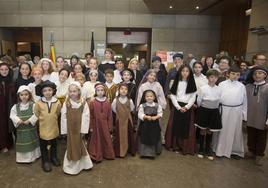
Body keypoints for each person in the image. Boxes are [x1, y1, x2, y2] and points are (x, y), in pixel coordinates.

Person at [214, 66, 247, 159]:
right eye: (233, 74)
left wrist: (244, 114)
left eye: (238, 75)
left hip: (236, 111)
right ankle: (219, 150)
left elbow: (245, 101)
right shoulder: (222, 84)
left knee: (235, 131)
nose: (235, 76)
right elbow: (217, 97)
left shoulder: (242, 86)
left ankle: (234, 151)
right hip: (223, 110)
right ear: (228, 74)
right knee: (222, 130)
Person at [61, 81, 93, 175]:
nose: (72, 93)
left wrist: (83, 130)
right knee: (71, 145)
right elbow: (64, 116)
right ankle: (71, 167)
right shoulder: (66, 103)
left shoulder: (83, 102)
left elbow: (86, 116)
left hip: (79, 128)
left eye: (74, 91)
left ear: (79, 91)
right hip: (70, 129)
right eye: (70, 91)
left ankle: (84, 164)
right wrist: (64, 130)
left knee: (80, 144)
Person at [165, 64, 197, 155]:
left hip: (187, 108)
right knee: (175, 126)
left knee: (186, 128)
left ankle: (185, 147)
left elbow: (193, 97)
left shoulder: (192, 83)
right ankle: (174, 145)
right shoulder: (176, 82)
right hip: (177, 107)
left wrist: (186, 107)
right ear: (180, 72)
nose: (185, 73)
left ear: (189, 73)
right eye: (183, 71)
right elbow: (172, 95)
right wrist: (178, 107)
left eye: (187, 71)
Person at [34, 80, 62, 172]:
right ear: (42, 92)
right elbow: (36, 113)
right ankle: (45, 161)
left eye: (49, 90)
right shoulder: (39, 103)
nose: (47, 92)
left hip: (53, 127)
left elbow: (58, 113)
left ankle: (53, 157)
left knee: (54, 144)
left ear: (53, 91)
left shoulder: (57, 102)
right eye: (45, 90)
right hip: (43, 128)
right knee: (44, 146)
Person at [195, 69, 222, 160]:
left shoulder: (219, 89)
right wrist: (202, 107)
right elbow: (199, 101)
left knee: (210, 130)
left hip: (214, 111)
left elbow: (219, 100)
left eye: (215, 77)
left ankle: (208, 149)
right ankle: (201, 149)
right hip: (204, 110)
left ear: (217, 78)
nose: (213, 79)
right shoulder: (203, 88)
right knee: (203, 130)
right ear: (207, 78)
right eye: (211, 77)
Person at [10, 85, 40, 163]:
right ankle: (22, 159)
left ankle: (33, 156)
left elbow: (36, 114)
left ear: (29, 95)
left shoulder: (33, 105)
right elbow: (12, 115)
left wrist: (30, 120)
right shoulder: (15, 106)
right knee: (23, 143)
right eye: (22, 95)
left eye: (26, 94)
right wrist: (18, 120)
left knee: (32, 142)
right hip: (21, 130)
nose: (24, 96)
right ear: (19, 96)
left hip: (30, 129)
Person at [245, 66, 268, 166]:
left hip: (262, 116)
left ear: (265, 75)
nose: (257, 75)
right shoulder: (248, 86)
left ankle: (259, 154)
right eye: (255, 73)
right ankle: (251, 150)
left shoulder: (267, 87)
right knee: (251, 133)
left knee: (261, 136)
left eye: (260, 73)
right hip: (250, 115)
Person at [87, 83, 115, 162]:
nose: (100, 92)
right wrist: (91, 126)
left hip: (105, 124)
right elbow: (91, 115)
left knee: (106, 138)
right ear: (95, 91)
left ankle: (107, 154)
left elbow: (110, 115)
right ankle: (96, 153)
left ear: (104, 91)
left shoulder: (107, 101)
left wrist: (110, 126)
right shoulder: (92, 102)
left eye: (102, 90)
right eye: (98, 90)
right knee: (96, 139)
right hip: (96, 125)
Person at [112, 83, 135, 157]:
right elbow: (113, 109)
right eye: (122, 89)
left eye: (125, 89)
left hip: (127, 120)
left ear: (128, 91)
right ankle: (119, 150)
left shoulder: (130, 100)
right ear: (118, 90)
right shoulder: (115, 100)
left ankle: (129, 149)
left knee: (128, 134)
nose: (123, 91)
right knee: (119, 135)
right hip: (119, 120)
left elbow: (132, 109)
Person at [137, 90, 163, 158]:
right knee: (144, 137)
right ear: (145, 98)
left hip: (154, 124)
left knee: (153, 137)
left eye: (151, 96)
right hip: (145, 124)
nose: (149, 98)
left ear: (154, 97)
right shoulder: (142, 105)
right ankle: (144, 153)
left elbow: (160, 113)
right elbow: (140, 114)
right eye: (147, 96)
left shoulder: (158, 105)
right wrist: (145, 116)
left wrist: (156, 117)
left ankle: (152, 153)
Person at [0, 62, 16, 153]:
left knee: (8, 125)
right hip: (1, 107)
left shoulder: (11, 80)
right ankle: (3, 145)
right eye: (2, 69)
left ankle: (8, 143)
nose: (4, 71)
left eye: (6, 69)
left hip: (9, 106)